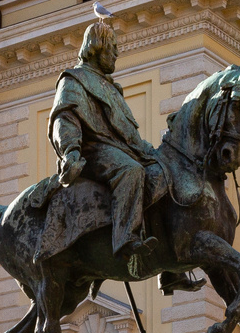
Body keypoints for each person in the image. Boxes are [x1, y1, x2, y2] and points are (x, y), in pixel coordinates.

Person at [47, 21, 159, 275]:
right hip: (91, 151)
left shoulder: (110, 87)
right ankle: (125, 240)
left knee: (164, 171)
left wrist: (151, 152)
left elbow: (128, 133)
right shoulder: (74, 80)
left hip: (121, 149)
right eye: (113, 47)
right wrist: (71, 151)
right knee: (131, 171)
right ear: (97, 47)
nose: (117, 53)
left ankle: (171, 270)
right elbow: (65, 119)